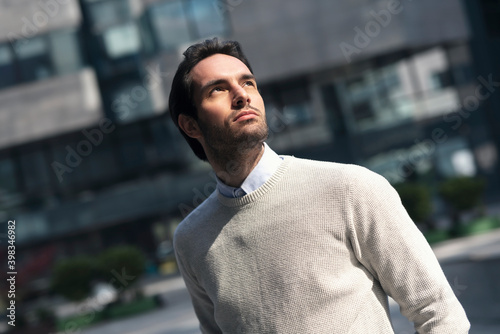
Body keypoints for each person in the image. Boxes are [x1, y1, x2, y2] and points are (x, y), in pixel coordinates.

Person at [169, 38, 470, 333]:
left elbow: (438, 311)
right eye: (218, 89)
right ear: (190, 125)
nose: (241, 95)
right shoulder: (191, 240)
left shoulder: (350, 188)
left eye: (248, 83)